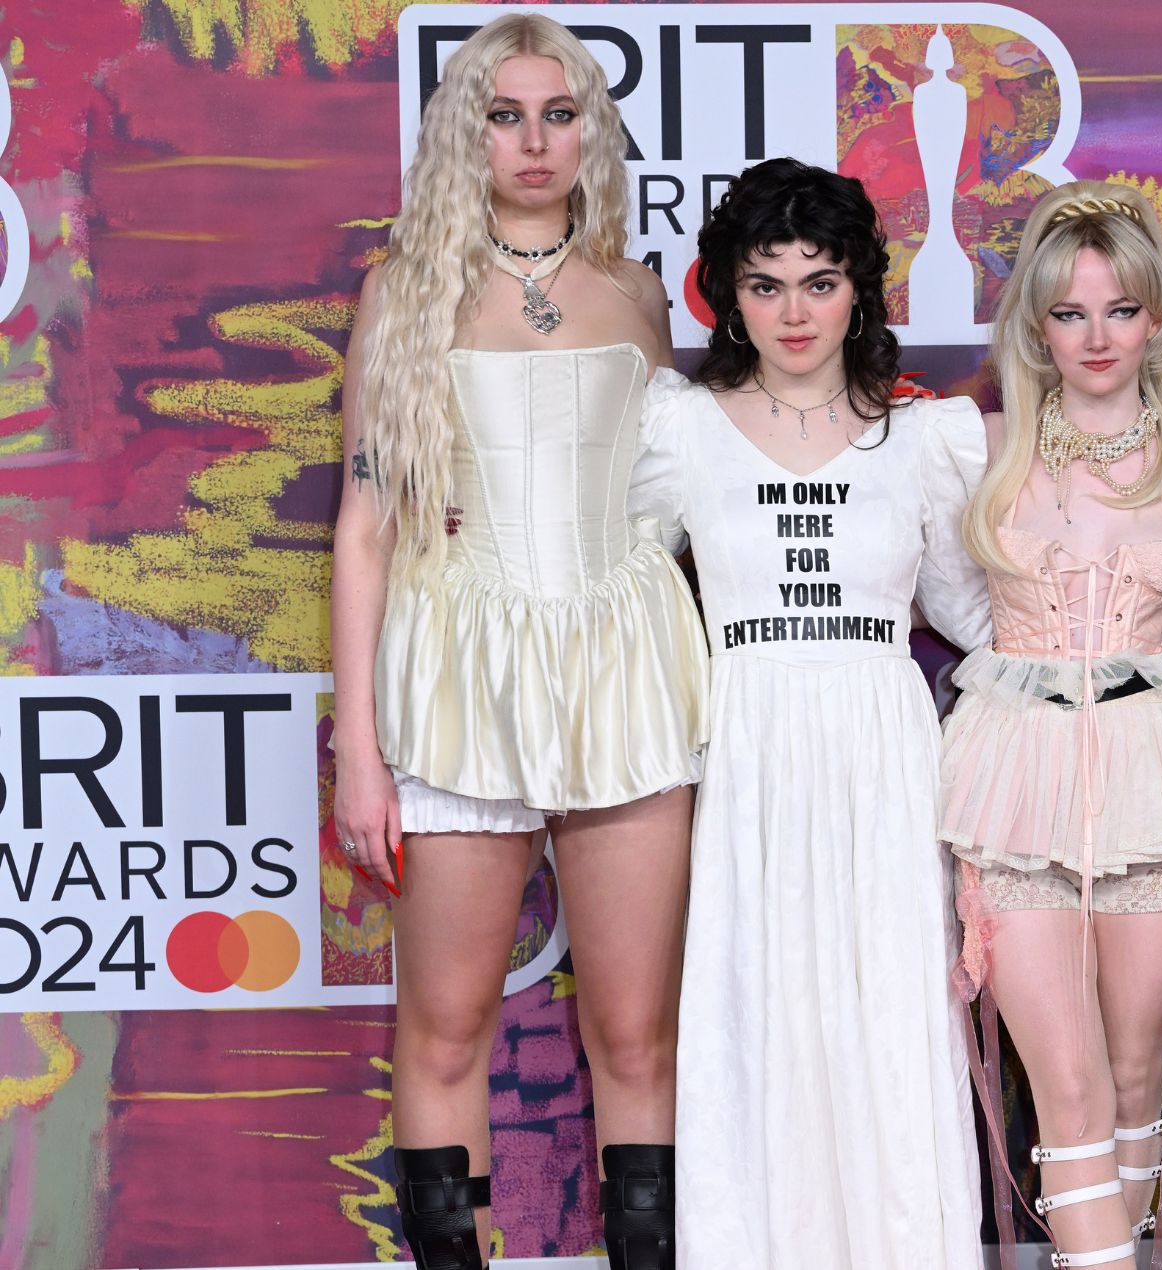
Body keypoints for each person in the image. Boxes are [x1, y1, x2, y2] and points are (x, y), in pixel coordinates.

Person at [330, 14, 704, 1270]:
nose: (535, 142)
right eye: (506, 115)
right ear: (465, 133)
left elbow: (670, 499)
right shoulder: (405, 290)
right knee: (442, 1027)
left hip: (626, 674)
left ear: (591, 129)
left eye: (560, 114)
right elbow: (368, 528)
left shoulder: (637, 290)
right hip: (457, 679)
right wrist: (360, 754)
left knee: (638, 1034)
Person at [634, 157, 986, 1270]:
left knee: (890, 1023)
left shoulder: (924, 438)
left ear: (860, 292)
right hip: (746, 755)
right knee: (758, 1024)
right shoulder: (678, 429)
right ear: (726, 295)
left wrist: (1121, 628)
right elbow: (614, 591)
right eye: (767, 282)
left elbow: (974, 615)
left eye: (820, 281)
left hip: (885, 759)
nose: (794, 310)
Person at [938, 180, 1162, 1270]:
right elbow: (924, 586)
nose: (1095, 336)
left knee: (1132, 1080)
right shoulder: (976, 451)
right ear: (1033, 323)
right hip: (1012, 777)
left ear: (1155, 315)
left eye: (1118, 309)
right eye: (1068, 313)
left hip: (1153, 781)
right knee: (1063, 1084)